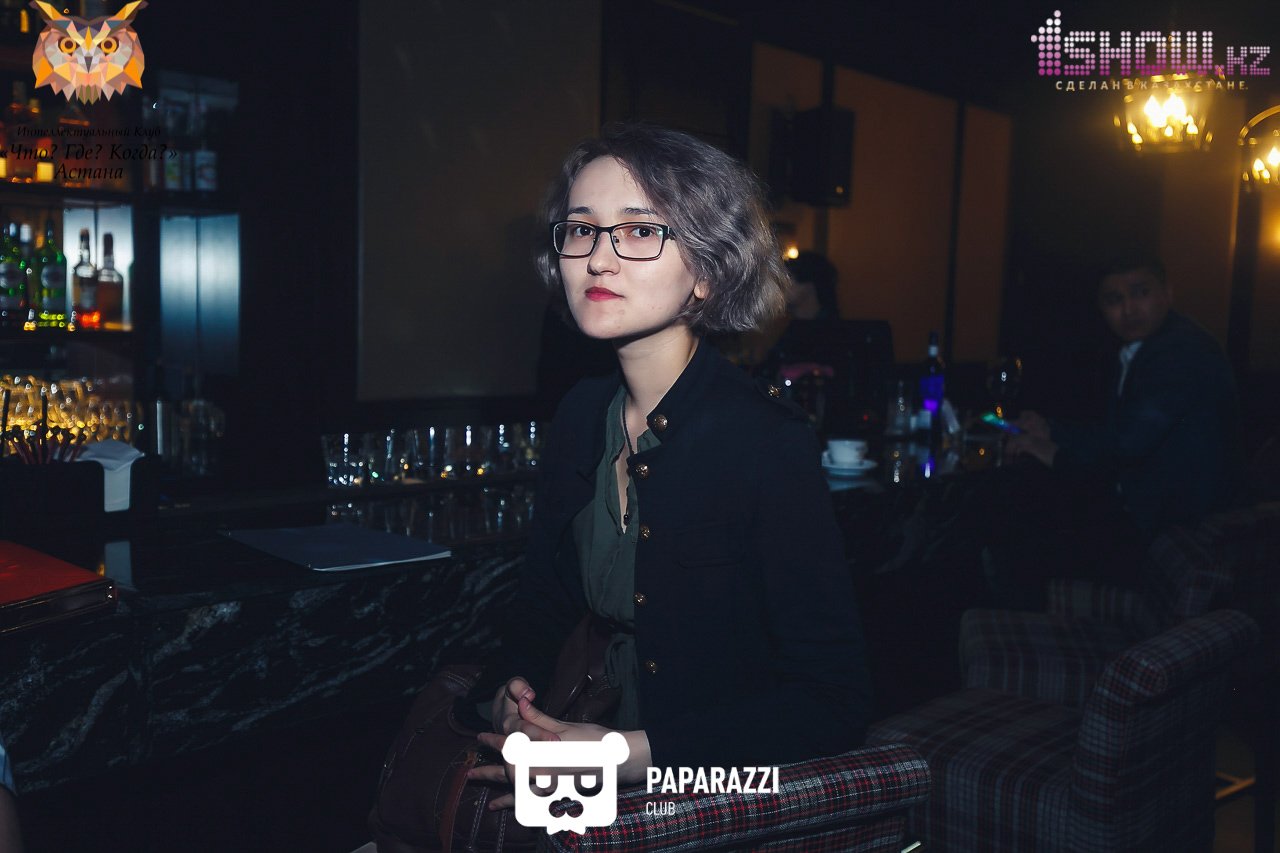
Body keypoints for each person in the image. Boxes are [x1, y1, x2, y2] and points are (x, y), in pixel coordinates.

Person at [462, 123, 872, 809]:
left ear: (708, 271)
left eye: (640, 231)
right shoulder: (580, 414)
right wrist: (511, 692)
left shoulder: (763, 440)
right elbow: (541, 608)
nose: (599, 259)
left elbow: (834, 702)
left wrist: (624, 757)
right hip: (578, 768)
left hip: (706, 798)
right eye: (582, 230)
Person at [1008, 255, 1241, 534]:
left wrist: (1053, 452)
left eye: (1141, 293)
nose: (1129, 309)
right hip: (1158, 515)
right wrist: (1051, 430)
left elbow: (1128, 444)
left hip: (1190, 532)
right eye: (1114, 299)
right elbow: (1121, 431)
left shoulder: (1180, 351)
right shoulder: (1148, 346)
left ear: (1167, 294)